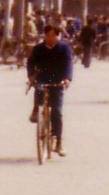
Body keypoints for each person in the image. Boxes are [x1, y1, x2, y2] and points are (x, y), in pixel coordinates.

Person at [27, 24, 74, 154]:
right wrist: (31, 76)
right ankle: (36, 109)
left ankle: (58, 141)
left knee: (57, 112)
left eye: (54, 35)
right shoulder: (38, 49)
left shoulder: (64, 48)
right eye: (48, 35)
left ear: (58, 36)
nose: (50, 38)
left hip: (58, 81)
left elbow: (69, 63)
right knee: (39, 90)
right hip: (42, 78)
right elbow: (31, 62)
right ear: (44, 35)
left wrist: (67, 79)